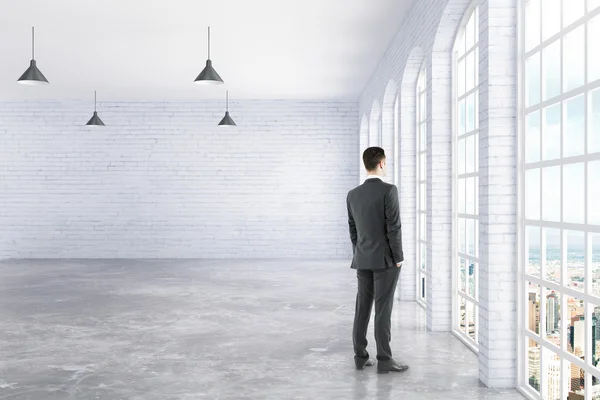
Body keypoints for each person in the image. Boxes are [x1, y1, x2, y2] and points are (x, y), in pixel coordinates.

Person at [346, 146, 408, 374]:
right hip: (385, 260)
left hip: (362, 258)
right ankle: (384, 360)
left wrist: (359, 252)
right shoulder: (389, 190)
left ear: (365, 164)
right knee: (383, 309)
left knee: (362, 307)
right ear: (382, 163)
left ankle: (360, 357)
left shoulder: (352, 194)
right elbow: (394, 227)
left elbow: (352, 230)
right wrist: (398, 257)